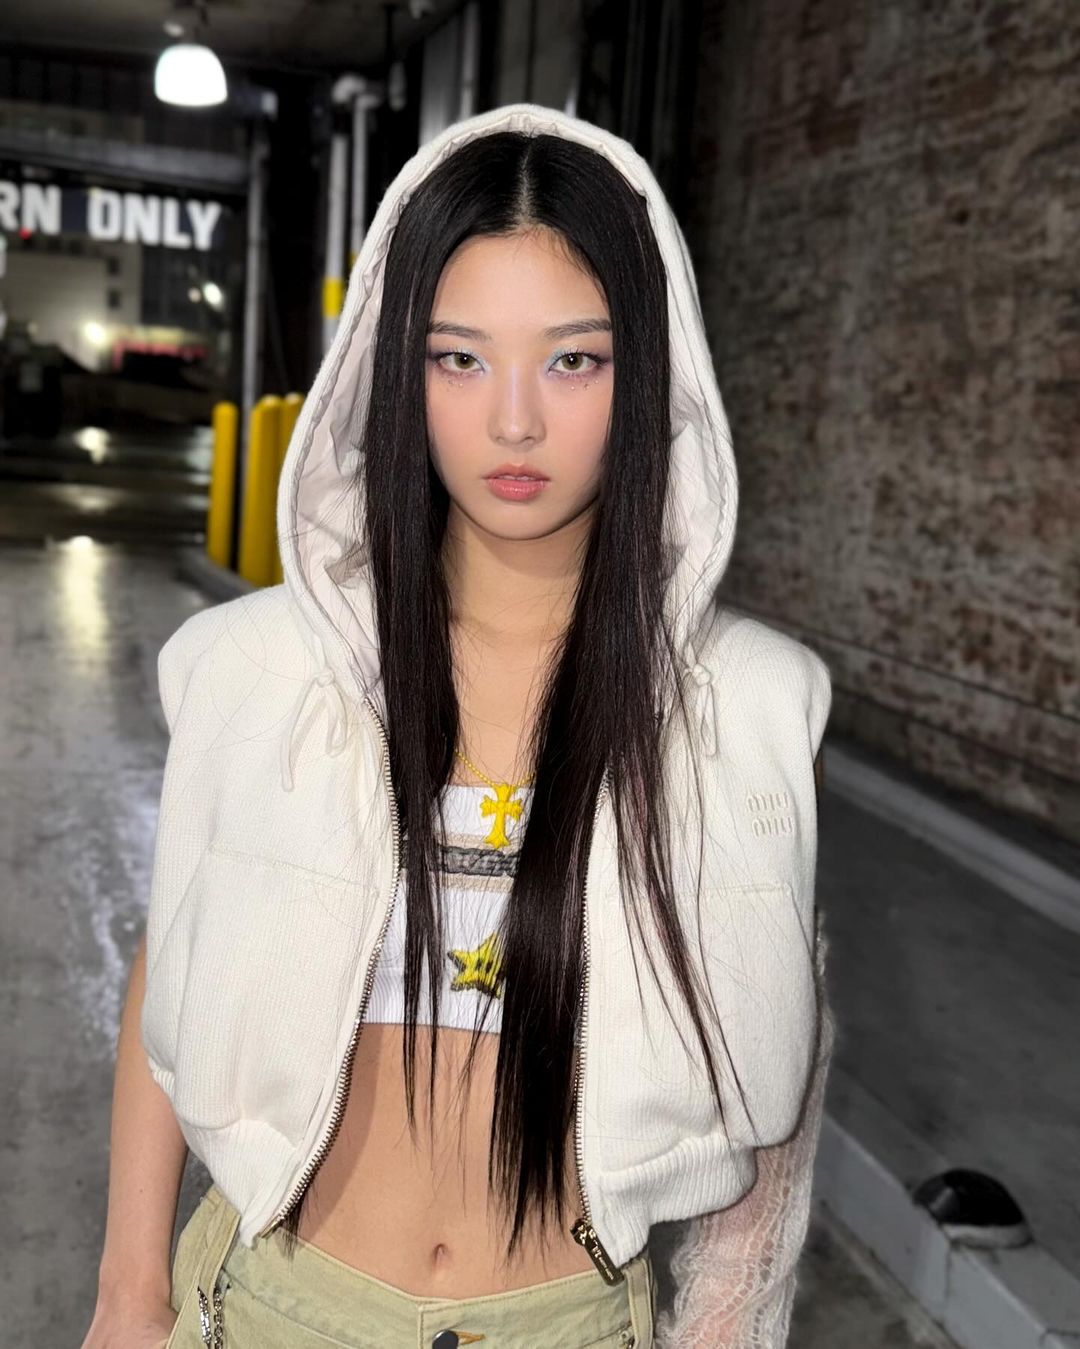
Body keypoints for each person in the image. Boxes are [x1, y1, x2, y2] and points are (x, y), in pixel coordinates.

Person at [82, 102, 834, 1349]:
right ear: (396, 370)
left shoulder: (745, 703)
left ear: (651, 374)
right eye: (460, 358)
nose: (515, 421)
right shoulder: (257, 669)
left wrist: (719, 1330)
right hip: (271, 1306)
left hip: (568, 1322)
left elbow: (774, 1055)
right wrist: (126, 1294)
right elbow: (177, 958)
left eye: (574, 360)